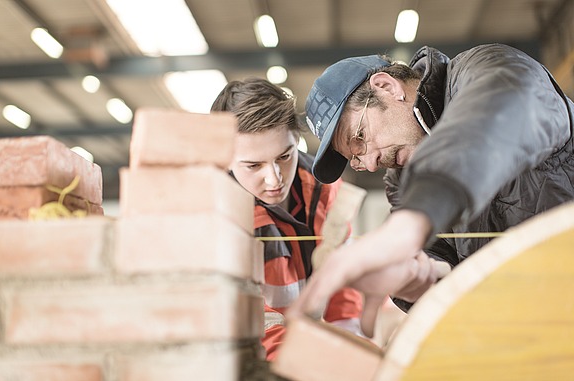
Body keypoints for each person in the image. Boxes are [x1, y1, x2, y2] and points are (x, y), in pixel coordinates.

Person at [288, 43, 574, 335]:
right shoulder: (401, 183)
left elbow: (495, 116)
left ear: (386, 87)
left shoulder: (487, 69)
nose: (371, 163)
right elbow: (440, 264)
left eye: (360, 137)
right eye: (356, 159)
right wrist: (419, 279)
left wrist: (408, 226)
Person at [210, 77, 364, 360]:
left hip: (314, 350)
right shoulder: (216, 216)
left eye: (284, 156)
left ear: (297, 140)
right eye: (253, 165)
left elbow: (342, 275)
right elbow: (245, 314)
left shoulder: (328, 191)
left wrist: (349, 338)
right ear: (225, 160)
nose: (274, 179)